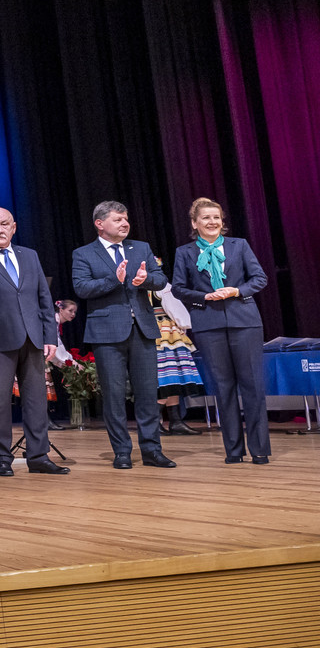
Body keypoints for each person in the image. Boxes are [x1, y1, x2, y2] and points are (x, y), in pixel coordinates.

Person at [0, 208, 68, 476]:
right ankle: (1, 457)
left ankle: (38, 456)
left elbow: (44, 299)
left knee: (36, 401)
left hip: (33, 338)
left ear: (14, 227)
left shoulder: (29, 255)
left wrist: (50, 337)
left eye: (4, 224)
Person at [72, 200, 173, 470]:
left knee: (147, 393)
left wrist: (144, 280)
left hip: (142, 329)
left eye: (126, 219)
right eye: (118, 219)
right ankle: (122, 452)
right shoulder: (84, 253)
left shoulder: (140, 247)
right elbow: (81, 288)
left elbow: (161, 279)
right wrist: (113, 280)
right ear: (100, 224)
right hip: (106, 334)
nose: (125, 223)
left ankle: (152, 450)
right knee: (114, 396)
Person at [171, 197, 271, 464]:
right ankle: (234, 451)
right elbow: (178, 288)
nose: (212, 222)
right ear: (195, 223)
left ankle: (259, 449)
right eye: (206, 218)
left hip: (245, 322)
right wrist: (204, 297)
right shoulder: (185, 252)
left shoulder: (239, 245)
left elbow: (259, 278)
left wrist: (237, 290)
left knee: (252, 385)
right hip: (208, 324)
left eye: (216, 217)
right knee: (224, 388)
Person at [153, 276, 205, 436]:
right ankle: (154, 422)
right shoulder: (162, 286)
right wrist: (184, 324)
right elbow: (174, 308)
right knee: (167, 376)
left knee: (172, 376)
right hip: (165, 332)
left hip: (154, 331)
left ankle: (175, 421)